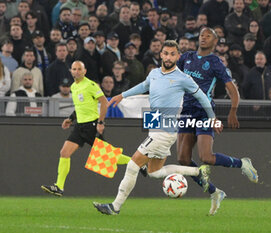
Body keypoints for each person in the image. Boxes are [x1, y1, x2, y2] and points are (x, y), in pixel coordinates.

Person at [93, 40, 213, 215]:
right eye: (166, 53)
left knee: (133, 165)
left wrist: (212, 117)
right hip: (155, 123)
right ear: (161, 54)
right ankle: (197, 171)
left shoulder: (183, 78)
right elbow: (144, 86)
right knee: (154, 172)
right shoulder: (155, 73)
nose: (169, 57)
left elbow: (202, 97)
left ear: (178, 56)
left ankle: (115, 206)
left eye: (173, 54)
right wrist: (122, 95)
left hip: (165, 129)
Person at [177, 27, 258, 216]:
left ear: (215, 42)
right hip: (187, 111)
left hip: (204, 112)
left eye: (208, 36)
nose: (203, 38)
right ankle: (215, 192)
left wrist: (233, 111)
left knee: (206, 157)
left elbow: (232, 88)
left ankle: (242, 163)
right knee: (183, 160)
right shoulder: (186, 58)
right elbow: (171, 76)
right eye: (201, 35)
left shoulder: (215, 62)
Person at [40, 61, 130, 196]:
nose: (76, 71)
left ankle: (136, 162)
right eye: (74, 69)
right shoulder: (73, 87)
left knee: (106, 157)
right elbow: (80, 108)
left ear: (84, 71)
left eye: (79, 69)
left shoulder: (91, 85)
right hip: (79, 126)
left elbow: (105, 103)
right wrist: (70, 119)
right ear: (71, 71)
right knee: (64, 152)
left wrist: (101, 122)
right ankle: (59, 187)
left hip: (91, 126)